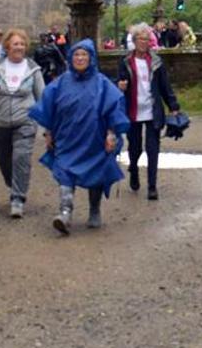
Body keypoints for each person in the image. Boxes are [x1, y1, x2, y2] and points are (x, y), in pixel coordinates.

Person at [29, 39, 131, 235]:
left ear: (91, 58)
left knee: (95, 173)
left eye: (84, 55)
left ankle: (94, 209)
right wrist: (48, 131)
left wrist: (111, 133)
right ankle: (65, 213)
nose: (80, 58)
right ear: (70, 57)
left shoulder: (102, 83)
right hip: (67, 139)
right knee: (64, 171)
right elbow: (48, 106)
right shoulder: (60, 83)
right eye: (76, 54)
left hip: (94, 139)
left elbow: (114, 107)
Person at [0, 29, 44, 218]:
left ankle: (17, 199)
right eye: (15, 44)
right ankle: (13, 182)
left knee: (21, 159)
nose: (19, 47)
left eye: (22, 44)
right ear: (7, 46)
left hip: (25, 121)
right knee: (4, 161)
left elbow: (43, 97)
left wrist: (48, 125)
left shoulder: (33, 68)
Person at [117, 24, 181, 200]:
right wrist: (120, 86)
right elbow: (119, 82)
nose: (144, 42)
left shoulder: (156, 62)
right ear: (135, 41)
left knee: (153, 149)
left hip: (153, 110)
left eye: (147, 39)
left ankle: (152, 186)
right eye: (141, 39)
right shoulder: (125, 61)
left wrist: (173, 106)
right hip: (133, 110)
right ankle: (134, 169)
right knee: (135, 147)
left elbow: (164, 86)